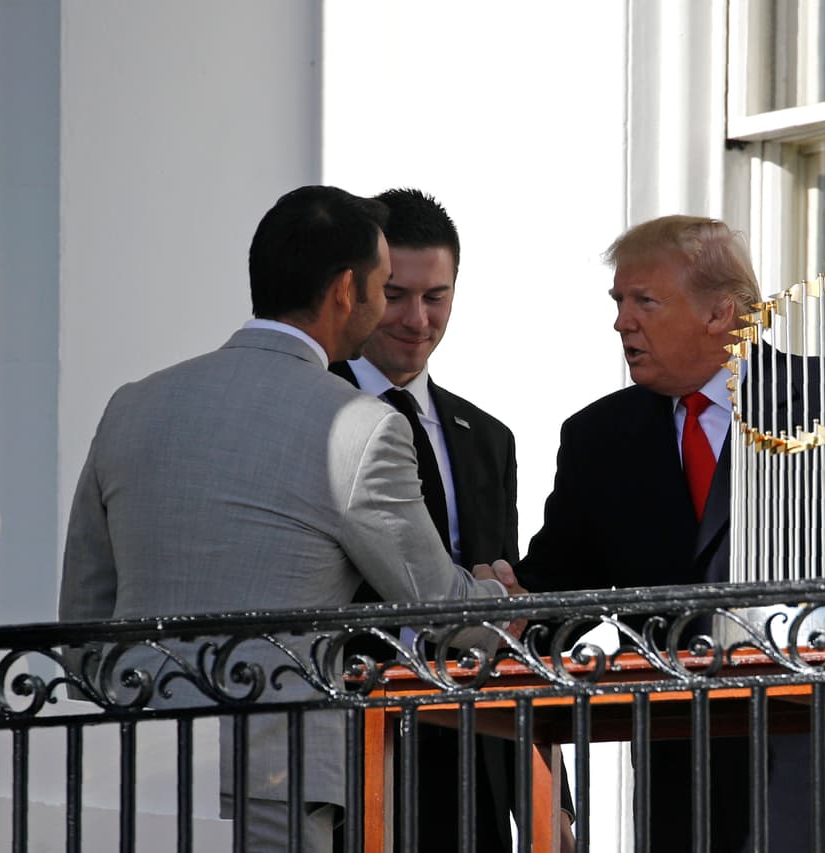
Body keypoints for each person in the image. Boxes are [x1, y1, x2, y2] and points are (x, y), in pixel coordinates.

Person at [58, 185, 517, 853]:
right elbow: (440, 606)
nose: (400, 308)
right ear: (343, 292)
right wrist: (502, 605)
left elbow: (80, 622)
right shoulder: (357, 424)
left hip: (132, 772)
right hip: (276, 772)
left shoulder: (131, 405)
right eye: (385, 287)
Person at [516, 215, 825, 852]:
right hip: (678, 774)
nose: (623, 321)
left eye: (644, 301)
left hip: (817, 757)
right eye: (618, 302)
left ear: (719, 314)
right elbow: (556, 593)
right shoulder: (599, 438)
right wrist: (491, 602)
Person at [329, 188, 561, 852]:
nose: (416, 318)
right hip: (353, 739)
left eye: (437, 296)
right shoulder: (313, 411)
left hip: (471, 747)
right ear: (358, 290)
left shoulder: (488, 437)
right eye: (396, 294)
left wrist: (549, 794)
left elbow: (510, 611)